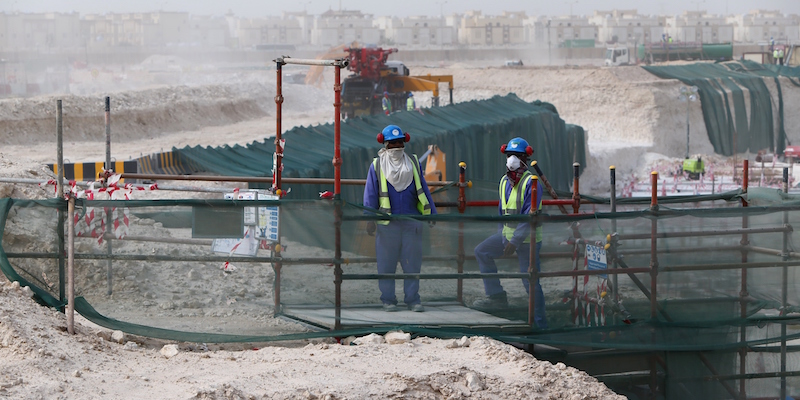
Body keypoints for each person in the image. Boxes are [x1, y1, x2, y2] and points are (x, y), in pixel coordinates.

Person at [472, 137, 547, 329]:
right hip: (507, 236)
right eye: (509, 155)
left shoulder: (532, 182)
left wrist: (513, 242)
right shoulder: (504, 182)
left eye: (517, 156)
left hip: (528, 240)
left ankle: (539, 323)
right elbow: (502, 212)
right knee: (482, 251)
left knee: (529, 280)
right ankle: (497, 296)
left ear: (525, 158)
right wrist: (504, 237)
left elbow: (530, 216)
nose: (512, 159)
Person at [363, 124, 437, 312]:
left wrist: (432, 213)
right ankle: (388, 299)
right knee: (386, 264)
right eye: (392, 144)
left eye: (399, 143)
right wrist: (370, 218)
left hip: (412, 222)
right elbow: (370, 194)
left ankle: (412, 300)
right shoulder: (377, 165)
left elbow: (424, 189)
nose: (396, 147)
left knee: (412, 264)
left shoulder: (412, 162)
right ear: (385, 145)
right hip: (388, 224)